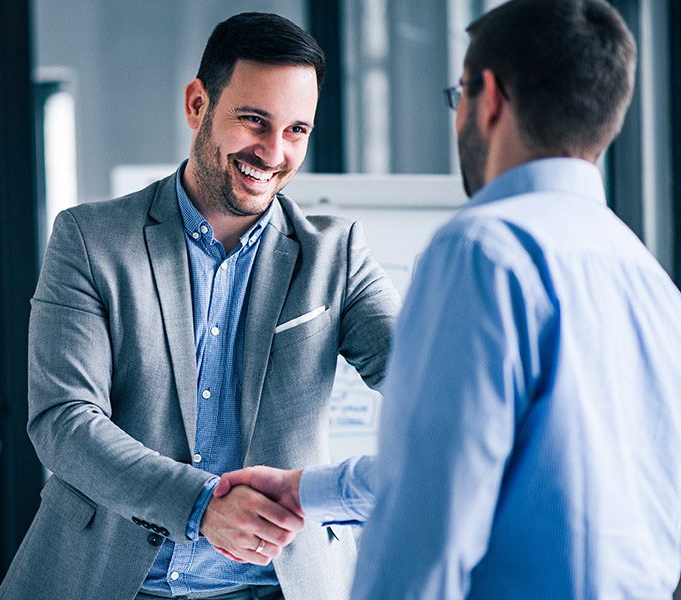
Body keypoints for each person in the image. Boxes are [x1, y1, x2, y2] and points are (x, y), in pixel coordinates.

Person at [216, 0, 681, 597]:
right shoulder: (649, 280)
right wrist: (307, 491)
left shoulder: (483, 251)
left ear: (487, 97)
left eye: (456, 95)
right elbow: (483, 467)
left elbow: (428, 515)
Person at [0, 12, 399, 600]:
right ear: (197, 104)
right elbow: (63, 421)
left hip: (278, 586)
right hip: (111, 580)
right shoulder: (90, 239)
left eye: (296, 131)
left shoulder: (335, 255)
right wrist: (200, 505)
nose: (273, 151)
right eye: (254, 121)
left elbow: (426, 382)